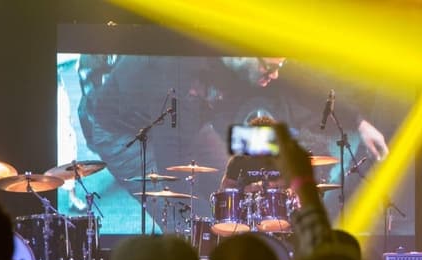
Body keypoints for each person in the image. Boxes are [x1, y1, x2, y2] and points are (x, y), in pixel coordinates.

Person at [76, 55, 388, 231]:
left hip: (186, 118)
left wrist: (359, 122)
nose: (275, 75)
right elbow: (171, 161)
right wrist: (209, 221)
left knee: (229, 192)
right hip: (124, 131)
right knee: (184, 217)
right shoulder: (178, 80)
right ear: (242, 56)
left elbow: (301, 82)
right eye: (269, 68)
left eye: (278, 67)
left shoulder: (249, 55)